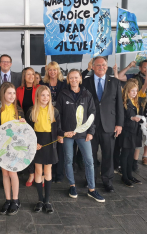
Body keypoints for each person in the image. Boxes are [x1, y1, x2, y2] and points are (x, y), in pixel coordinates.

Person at [56, 69, 105, 202]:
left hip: (83, 134)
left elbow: (92, 114)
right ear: (68, 80)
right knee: (68, 160)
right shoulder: (63, 94)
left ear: (80, 79)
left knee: (89, 161)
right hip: (67, 134)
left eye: (76, 77)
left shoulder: (86, 94)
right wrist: (60, 133)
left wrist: (91, 131)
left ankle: (92, 189)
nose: (73, 80)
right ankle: (72, 185)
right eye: (71, 78)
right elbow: (57, 116)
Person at [82, 56, 124, 192]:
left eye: (104, 65)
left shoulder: (115, 82)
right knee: (90, 155)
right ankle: (91, 180)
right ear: (93, 67)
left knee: (108, 154)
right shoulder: (86, 82)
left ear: (107, 66)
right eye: (98, 65)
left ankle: (107, 180)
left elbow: (119, 106)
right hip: (90, 125)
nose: (101, 67)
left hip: (109, 125)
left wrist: (119, 124)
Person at [0, 82, 25, 216]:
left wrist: (23, 124)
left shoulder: (18, 110)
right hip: (1, 146)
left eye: (14, 93)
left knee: (13, 172)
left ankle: (16, 200)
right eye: (9, 93)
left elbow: (23, 130)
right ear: (3, 94)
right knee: (5, 174)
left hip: (14, 146)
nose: (12, 96)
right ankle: (7, 199)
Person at [26, 86, 64, 213]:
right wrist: (33, 143)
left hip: (49, 143)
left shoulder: (54, 111)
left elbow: (58, 129)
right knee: (38, 171)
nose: (45, 98)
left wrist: (62, 135)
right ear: (37, 96)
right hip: (37, 142)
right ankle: (39, 200)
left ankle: (47, 201)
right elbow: (28, 131)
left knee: (47, 171)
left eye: (47, 95)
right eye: (42, 95)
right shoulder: (31, 111)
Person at [118, 60, 147, 166]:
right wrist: (129, 65)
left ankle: (144, 156)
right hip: (136, 109)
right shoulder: (133, 78)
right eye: (145, 67)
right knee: (134, 137)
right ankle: (133, 160)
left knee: (144, 135)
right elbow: (119, 78)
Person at [40, 61, 66, 183]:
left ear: (58, 71)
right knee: (49, 146)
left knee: (59, 145)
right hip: (46, 116)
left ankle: (59, 174)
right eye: (50, 70)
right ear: (47, 71)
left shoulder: (63, 83)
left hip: (59, 115)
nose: (52, 72)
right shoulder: (43, 83)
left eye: (54, 70)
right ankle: (47, 173)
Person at [118, 81, 145, 187]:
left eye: (136, 91)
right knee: (125, 154)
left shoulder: (137, 102)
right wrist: (131, 118)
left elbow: (142, 116)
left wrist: (143, 121)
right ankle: (124, 176)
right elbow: (121, 118)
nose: (134, 93)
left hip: (136, 132)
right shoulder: (124, 103)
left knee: (131, 154)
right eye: (132, 91)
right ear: (127, 91)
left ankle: (129, 175)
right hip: (127, 132)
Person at [16, 67, 40, 186]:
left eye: (33, 74)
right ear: (24, 77)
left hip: (37, 122)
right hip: (23, 123)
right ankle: (31, 174)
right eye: (28, 74)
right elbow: (16, 106)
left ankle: (39, 175)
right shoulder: (19, 90)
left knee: (37, 148)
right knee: (27, 148)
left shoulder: (39, 88)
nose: (31, 76)